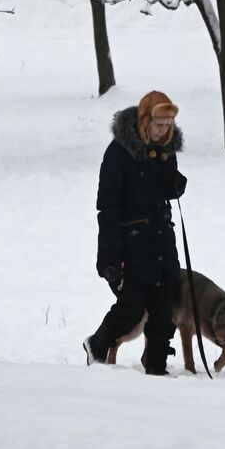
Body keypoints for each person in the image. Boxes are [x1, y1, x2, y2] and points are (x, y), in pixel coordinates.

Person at [84, 91, 187, 375]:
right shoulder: (119, 152)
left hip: (161, 242)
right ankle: (97, 344)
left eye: (168, 124)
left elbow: (171, 191)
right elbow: (107, 208)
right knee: (130, 308)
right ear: (144, 121)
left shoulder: (165, 150)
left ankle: (156, 369)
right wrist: (110, 256)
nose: (163, 130)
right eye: (159, 124)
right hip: (130, 245)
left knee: (163, 311)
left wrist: (169, 171)